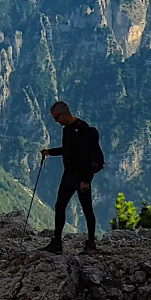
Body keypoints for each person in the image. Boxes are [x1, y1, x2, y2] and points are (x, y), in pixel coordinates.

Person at [40, 101, 104, 253]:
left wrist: (86, 180)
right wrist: (49, 152)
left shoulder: (83, 129)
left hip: (81, 177)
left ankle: (91, 244)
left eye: (56, 118)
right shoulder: (67, 130)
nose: (56, 121)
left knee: (87, 209)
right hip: (69, 175)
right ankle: (56, 242)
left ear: (64, 113)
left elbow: (91, 157)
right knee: (60, 206)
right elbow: (67, 150)